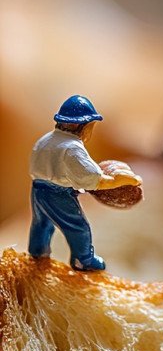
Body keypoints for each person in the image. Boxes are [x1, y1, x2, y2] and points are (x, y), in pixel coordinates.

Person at [29, 95, 142, 271]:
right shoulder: (73, 148)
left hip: (37, 189)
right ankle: (83, 260)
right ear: (82, 126)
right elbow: (94, 180)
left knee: (42, 223)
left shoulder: (46, 139)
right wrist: (126, 179)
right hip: (58, 193)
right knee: (78, 227)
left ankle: (37, 250)